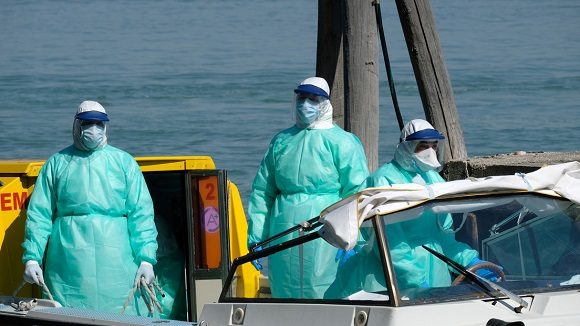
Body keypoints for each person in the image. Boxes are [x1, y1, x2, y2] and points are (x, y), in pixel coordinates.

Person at [21, 100, 159, 315]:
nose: (93, 130)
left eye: (99, 124)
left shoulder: (124, 162)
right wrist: (32, 257)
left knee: (122, 313)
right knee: (69, 312)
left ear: (106, 127)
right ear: (77, 125)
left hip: (116, 254)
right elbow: (40, 215)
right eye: (87, 123)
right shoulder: (57, 163)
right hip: (68, 255)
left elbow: (140, 214)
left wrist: (146, 259)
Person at [247, 77, 369, 298]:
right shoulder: (282, 141)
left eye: (313, 99)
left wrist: (355, 238)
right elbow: (263, 192)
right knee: (285, 288)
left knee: (323, 289)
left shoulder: (343, 142)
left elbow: (357, 194)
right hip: (283, 227)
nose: (305, 104)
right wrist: (257, 237)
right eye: (301, 98)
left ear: (325, 103)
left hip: (327, 227)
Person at [359, 119, 499, 288]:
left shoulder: (433, 178)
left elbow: (444, 237)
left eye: (434, 146)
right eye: (423, 145)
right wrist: (415, 281)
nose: (430, 152)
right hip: (392, 280)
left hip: (436, 273)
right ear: (406, 147)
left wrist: (471, 261)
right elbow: (390, 244)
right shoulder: (384, 179)